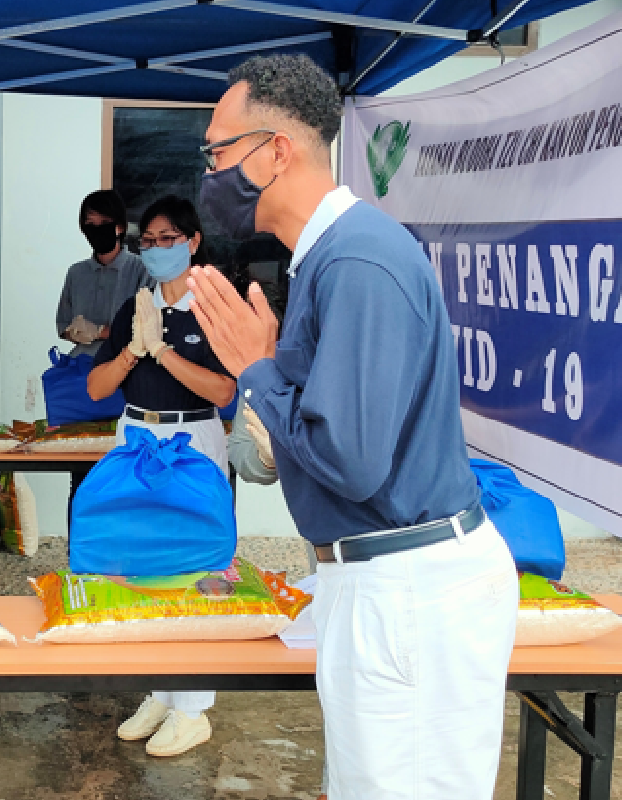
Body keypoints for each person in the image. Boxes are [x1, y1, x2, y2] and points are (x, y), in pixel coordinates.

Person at [188, 54, 518, 800]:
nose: (210, 173)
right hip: (383, 582)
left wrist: (256, 370)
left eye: (219, 151)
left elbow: (352, 459)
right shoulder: (326, 261)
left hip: (406, 589)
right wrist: (272, 368)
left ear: (278, 151)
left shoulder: (357, 262)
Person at [87, 195, 236, 758]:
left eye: (167, 239)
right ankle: (161, 690)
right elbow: (96, 389)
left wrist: (165, 353)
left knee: (196, 562)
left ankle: (193, 708)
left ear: (194, 242)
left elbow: (224, 392)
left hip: (193, 437)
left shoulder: (212, 305)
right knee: (143, 562)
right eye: (147, 242)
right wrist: (131, 352)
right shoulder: (135, 306)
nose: (155, 251)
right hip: (136, 434)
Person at [56, 189, 152, 358]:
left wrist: (100, 332)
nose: (97, 229)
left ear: (120, 227)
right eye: (90, 224)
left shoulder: (141, 269)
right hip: (82, 365)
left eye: (104, 222)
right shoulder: (76, 273)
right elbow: (63, 324)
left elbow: (147, 328)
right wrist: (73, 333)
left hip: (126, 365)